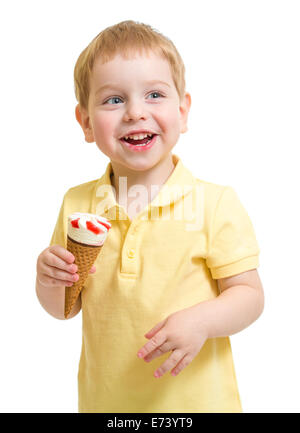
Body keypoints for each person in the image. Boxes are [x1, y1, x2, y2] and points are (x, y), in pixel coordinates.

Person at [35, 20, 264, 413]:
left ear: (182, 110)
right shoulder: (78, 204)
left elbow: (250, 296)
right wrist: (48, 279)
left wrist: (202, 321)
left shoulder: (214, 203)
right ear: (86, 123)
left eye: (154, 94)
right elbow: (64, 308)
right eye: (113, 100)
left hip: (198, 406)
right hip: (106, 406)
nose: (135, 113)